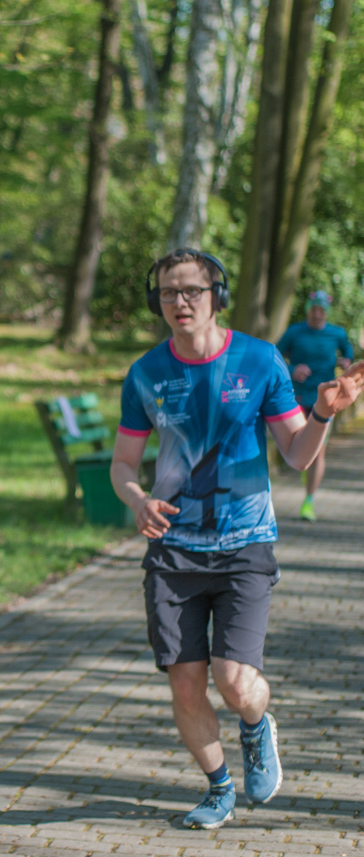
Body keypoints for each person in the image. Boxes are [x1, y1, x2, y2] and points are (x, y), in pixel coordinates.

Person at [109, 249, 363, 830]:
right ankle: (218, 787)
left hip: (245, 542)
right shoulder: (146, 374)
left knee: (236, 681)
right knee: (186, 681)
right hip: (173, 551)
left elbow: (296, 456)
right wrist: (137, 499)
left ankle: (256, 725)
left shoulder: (259, 359)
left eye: (192, 290)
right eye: (169, 292)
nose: (181, 302)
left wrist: (321, 413)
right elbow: (124, 464)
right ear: (158, 301)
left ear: (215, 294)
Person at [276, 290, 355, 521]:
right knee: (297, 447)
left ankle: (308, 501)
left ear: (327, 312)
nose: (318, 314)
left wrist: (345, 361)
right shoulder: (294, 332)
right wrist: (292, 370)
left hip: (326, 401)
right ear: (308, 309)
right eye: (314, 309)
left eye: (322, 310)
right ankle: (305, 469)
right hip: (297, 398)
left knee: (318, 452)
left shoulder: (336, 333)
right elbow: (274, 356)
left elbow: (347, 352)